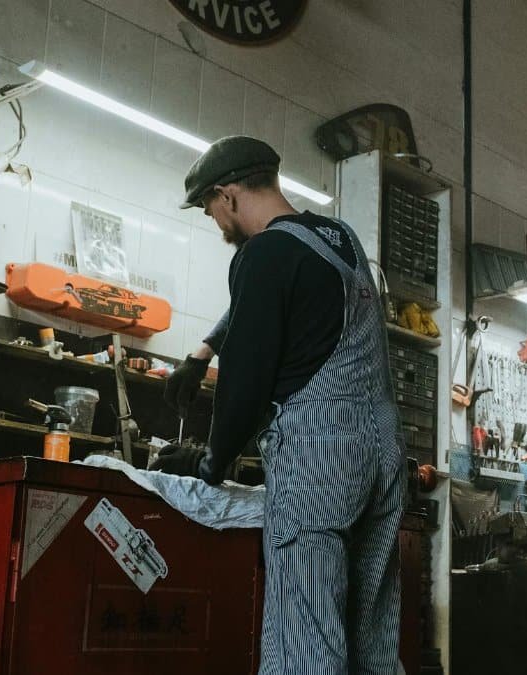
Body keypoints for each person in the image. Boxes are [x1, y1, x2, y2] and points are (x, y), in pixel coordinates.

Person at [152, 136, 406, 675]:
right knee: (372, 645)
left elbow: (243, 387)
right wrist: (202, 353)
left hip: (321, 457)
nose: (215, 221)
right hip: (382, 450)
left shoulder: (260, 253)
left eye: (208, 208)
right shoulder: (337, 239)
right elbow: (272, 299)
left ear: (228, 196)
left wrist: (209, 462)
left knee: (308, 641)